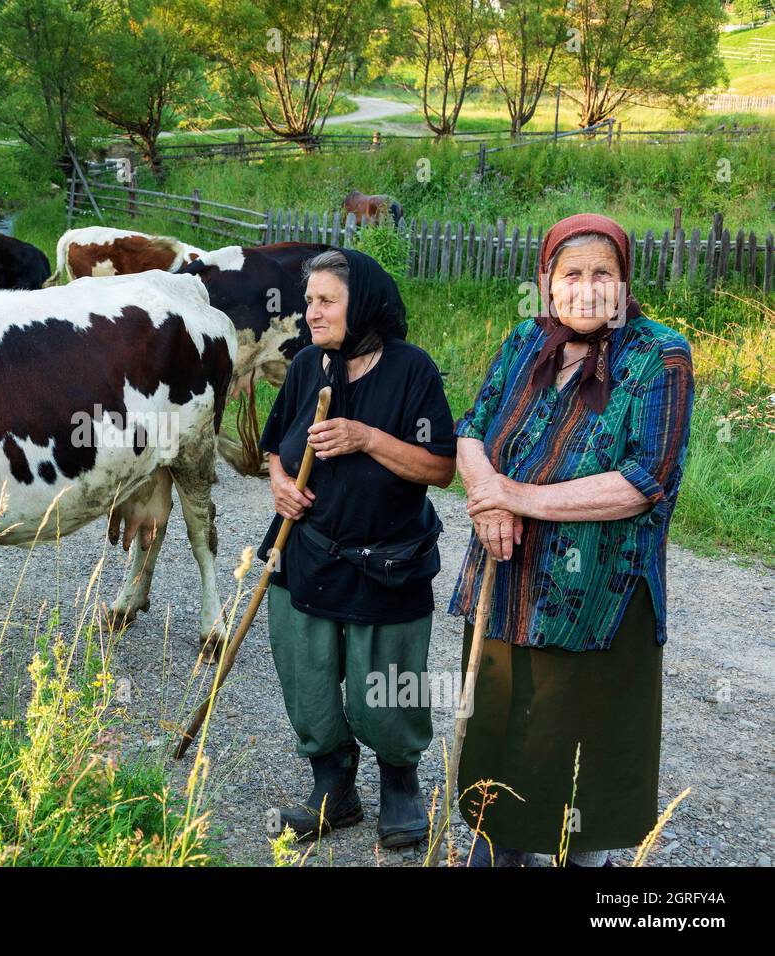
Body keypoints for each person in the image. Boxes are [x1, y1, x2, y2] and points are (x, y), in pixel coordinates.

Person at [448, 213, 695, 867]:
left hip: (598, 603)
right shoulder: (527, 342)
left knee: (577, 758)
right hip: (507, 584)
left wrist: (517, 497)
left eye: (603, 275)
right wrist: (485, 499)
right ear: (546, 281)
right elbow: (471, 427)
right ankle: (498, 850)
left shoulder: (659, 355)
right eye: (572, 274)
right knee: (502, 736)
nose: (587, 290)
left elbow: (645, 480)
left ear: (624, 283)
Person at [256, 249, 457, 846]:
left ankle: (400, 785)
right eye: (308, 300)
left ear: (360, 302)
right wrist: (282, 486)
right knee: (308, 681)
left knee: (387, 689)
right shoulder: (306, 368)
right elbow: (275, 446)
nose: (310, 313)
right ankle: (333, 789)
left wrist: (366, 437)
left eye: (326, 301)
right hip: (306, 553)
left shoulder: (411, 370)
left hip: (387, 563)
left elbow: (442, 467)